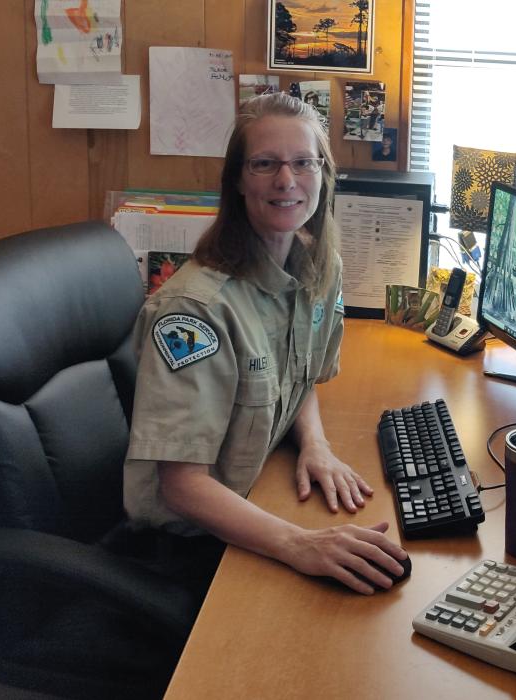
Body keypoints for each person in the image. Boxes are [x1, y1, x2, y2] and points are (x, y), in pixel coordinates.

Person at [122, 93, 407, 597]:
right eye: (264, 164)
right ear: (237, 180)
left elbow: (296, 377)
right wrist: (301, 544)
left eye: (304, 162)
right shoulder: (195, 311)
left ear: (324, 174)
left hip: (261, 497)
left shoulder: (318, 266)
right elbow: (182, 485)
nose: (286, 180)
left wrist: (315, 445)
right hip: (193, 545)